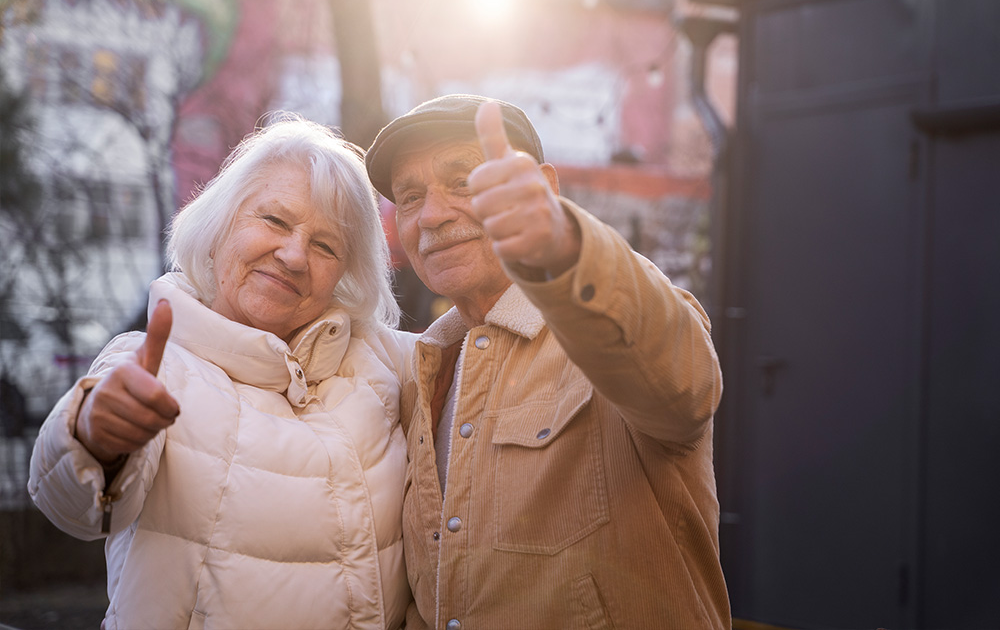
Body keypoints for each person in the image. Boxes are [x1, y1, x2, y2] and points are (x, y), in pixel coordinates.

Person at [29, 116, 415, 629]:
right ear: (219, 225)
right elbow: (71, 505)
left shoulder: (384, 362)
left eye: (326, 246)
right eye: (275, 221)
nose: (294, 256)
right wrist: (95, 437)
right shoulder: (153, 364)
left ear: (345, 274)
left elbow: (493, 341)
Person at [365, 94, 730, 629]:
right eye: (411, 197)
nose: (432, 215)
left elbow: (683, 385)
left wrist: (564, 247)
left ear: (546, 190)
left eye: (463, 182)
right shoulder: (422, 373)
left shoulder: (607, 326)